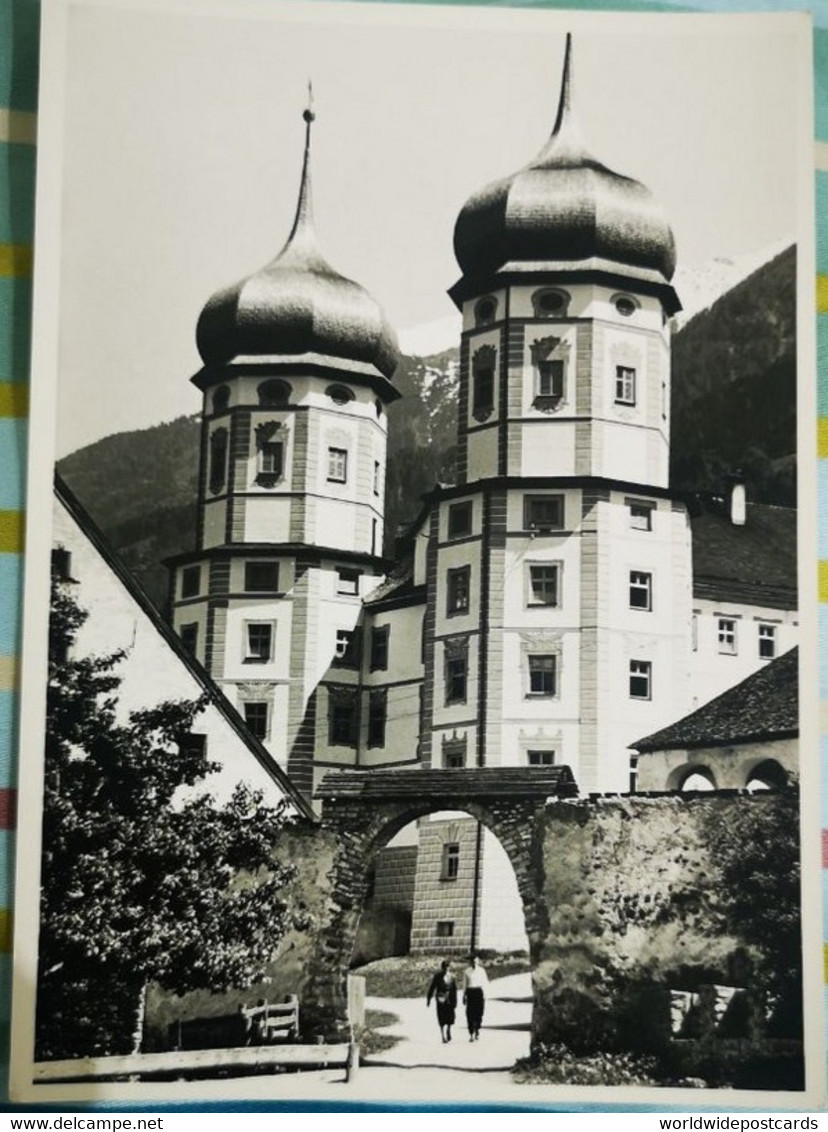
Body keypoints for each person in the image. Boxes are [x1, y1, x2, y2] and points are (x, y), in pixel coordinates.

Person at [426, 959, 457, 1043]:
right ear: (442, 968)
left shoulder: (452, 976)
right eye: (444, 967)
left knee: (450, 1017)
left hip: (450, 999)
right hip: (441, 998)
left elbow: (454, 989)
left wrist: (455, 1001)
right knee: (441, 1017)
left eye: (447, 967)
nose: (446, 969)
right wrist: (429, 999)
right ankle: (442, 1036)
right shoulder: (437, 976)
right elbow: (432, 988)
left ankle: (448, 1029)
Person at [462, 952, 488, 1041]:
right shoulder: (467, 971)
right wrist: (464, 995)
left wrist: (485, 994)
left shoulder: (481, 971)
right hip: (470, 992)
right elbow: (464, 984)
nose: (473, 962)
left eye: (475, 961)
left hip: (479, 992)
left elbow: (485, 983)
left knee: (479, 1013)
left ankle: (477, 1029)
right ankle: (471, 1033)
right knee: (470, 1014)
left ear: (477, 961)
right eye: (472, 961)